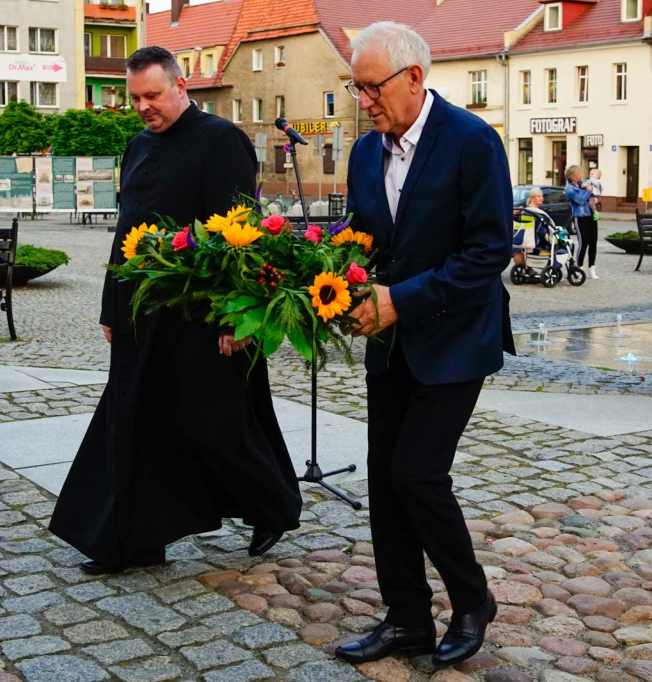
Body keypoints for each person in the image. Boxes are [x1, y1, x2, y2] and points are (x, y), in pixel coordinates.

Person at [48, 46, 302, 575]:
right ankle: (135, 542)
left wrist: (239, 315)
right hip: (143, 313)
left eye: (153, 95)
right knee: (135, 422)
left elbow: (242, 233)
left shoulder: (221, 140)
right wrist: (110, 306)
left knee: (215, 423)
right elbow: (126, 232)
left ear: (181, 87)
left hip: (203, 315)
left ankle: (273, 504)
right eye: (135, 97)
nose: (143, 106)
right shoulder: (138, 146)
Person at [333, 22, 514, 667]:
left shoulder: (472, 142)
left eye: (370, 87)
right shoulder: (363, 152)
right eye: (354, 88)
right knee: (385, 480)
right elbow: (364, 239)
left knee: (417, 472)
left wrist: (397, 301)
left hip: (457, 338)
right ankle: (406, 615)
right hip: (389, 344)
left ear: (414, 77)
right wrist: (323, 271)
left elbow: (488, 253)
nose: (363, 100)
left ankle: (472, 599)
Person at [565, 165, 598, 279]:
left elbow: (590, 188)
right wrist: (588, 191)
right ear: (574, 177)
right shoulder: (569, 188)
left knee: (593, 242)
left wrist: (593, 197)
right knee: (583, 243)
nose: (581, 175)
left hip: (591, 215)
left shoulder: (579, 183)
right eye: (579, 174)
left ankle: (592, 268)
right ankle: (580, 267)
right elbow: (580, 200)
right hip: (580, 217)